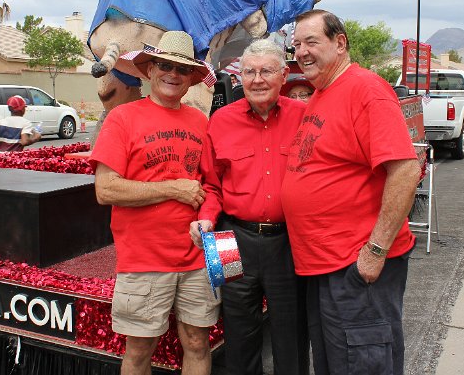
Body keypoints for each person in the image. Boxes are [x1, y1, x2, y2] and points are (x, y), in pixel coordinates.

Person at [282, 10, 421, 375]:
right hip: (324, 265)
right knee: (335, 363)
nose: (302, 52)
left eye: (312, 42)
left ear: (339, 43)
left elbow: (405, 170)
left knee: (365, 363)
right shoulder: (322, 93)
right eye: (297, 44)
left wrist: (375, 250)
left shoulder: (366, 89)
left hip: (356, 265)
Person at [89, 31, 220, 375]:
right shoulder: (122, 118)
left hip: (196, 258)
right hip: (144, 260)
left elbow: (210, 186)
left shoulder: (200, 122)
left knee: (196, 343)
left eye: (181, 69)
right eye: (164, 66)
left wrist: (206, 216)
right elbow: (106, 190)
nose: (172, 75)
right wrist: (173, 189)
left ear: (192, 79)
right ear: (149, 71)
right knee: (139, 350)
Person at [190, 39, 309, 375]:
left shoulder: (304, 117)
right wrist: (205, 219)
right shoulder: (221, 120)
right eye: (250, 72)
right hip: (229, 240)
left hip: (289, 241)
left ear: (283, 75)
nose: (257, 79)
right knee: (238, 337)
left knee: (291, 334)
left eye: (266, 71)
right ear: (239, 76)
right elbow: (212, 185)